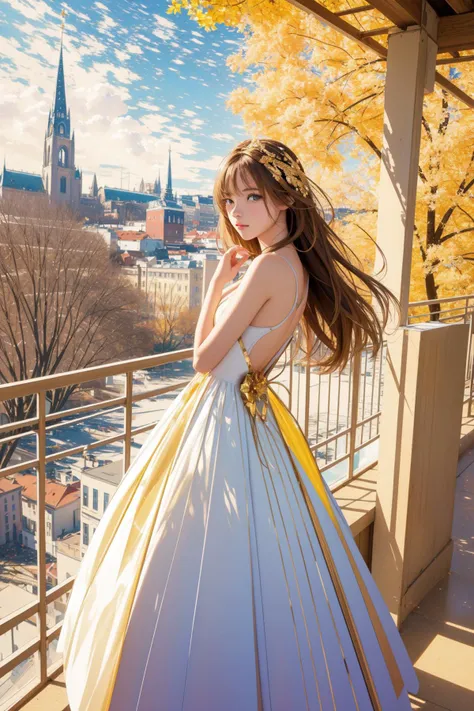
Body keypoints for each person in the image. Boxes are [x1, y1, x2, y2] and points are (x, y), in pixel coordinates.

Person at [56, 137, 419, 710]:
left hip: (219, 409)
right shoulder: (292, 267)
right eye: (229, 200)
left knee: (186, 553)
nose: (236, 211)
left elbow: (203, 360)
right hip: (246, 413)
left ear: (286, 197)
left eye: (252, 196)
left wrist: (217, 289)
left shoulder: (265, 268)